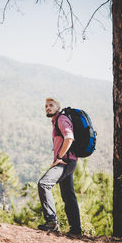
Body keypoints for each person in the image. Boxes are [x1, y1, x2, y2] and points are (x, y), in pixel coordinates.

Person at [38, 97, 81, 235]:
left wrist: (60, 157)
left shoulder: (61, 119)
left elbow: (69, 138)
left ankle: (52, 222)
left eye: (51, 105)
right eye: (46, 106)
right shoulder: (56, 121)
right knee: (68, 195)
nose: (48, 108)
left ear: (58, 107)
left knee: (44, 183)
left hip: (65, 162)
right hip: (69, 161)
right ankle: (76, 230)